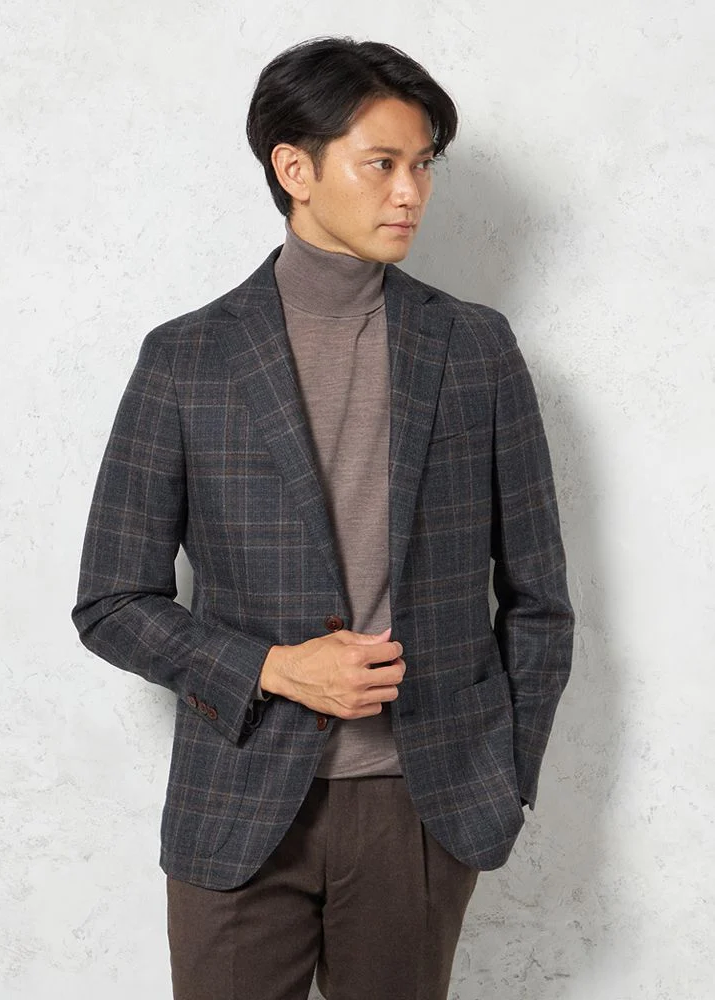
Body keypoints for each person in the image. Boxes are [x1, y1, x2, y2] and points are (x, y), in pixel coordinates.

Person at [71, 35, 575, 1000]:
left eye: (423, 164)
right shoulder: (187, 359)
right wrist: (272, 668)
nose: (410, 193)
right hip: (238, 798)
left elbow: (539, 599)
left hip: (422, 803)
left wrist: (506, 775)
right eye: (381, 163)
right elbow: (111, 601)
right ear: (294, 169)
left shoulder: (475, 349)